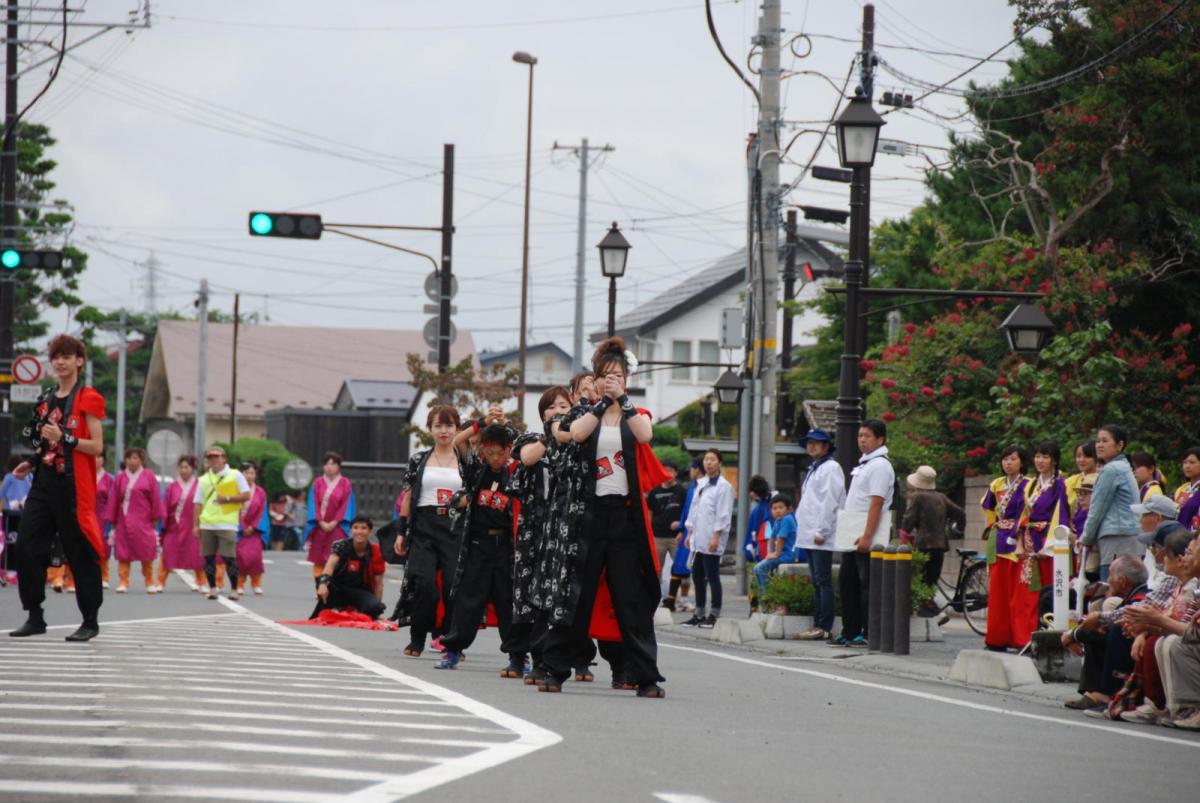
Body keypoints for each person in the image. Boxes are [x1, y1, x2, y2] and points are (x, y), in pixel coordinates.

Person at [540, 337, 670, 697]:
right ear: (595, 380)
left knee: (630, 597)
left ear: (627, 379)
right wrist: (600, 405)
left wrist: (622, 402)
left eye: (618, 375)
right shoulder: (585, 414)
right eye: (605, 375)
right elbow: (575, 435)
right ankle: (554, 669)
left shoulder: (636, 415)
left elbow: (646, 436)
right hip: (589, 516)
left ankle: (645, 675)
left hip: (625, 518)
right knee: (576, 595)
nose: (611, 380)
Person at [9, 334, 107, 642]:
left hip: (74, 486)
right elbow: (46, 444)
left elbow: (96, 447)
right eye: (56, 357)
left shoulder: (88, 398)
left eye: (67, 357)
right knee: (25, 543)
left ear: (79, 361)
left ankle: (89, 620)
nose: (60, 362)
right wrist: (32, 462)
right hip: (44, 483)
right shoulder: (47, 400)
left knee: (79, 551)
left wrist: (65, 436)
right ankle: (35, 615)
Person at [437, 422, 525, 673]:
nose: (495, 458)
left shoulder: (518, 473)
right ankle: (453, 649)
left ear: (509, 450)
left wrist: (508, 428)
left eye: (500, 452)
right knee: (468, 601)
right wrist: (481, 423)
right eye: (490, 452)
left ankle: (517, 656)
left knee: (508, 602)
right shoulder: (477, 471)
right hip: (478, 544)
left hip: (506, 547)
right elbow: (458, 443)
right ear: (483, 450)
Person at [393, 405, 466, 657]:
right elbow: (407, 497)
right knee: (424, 584)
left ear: (457, 428)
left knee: (452, 586)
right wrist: (402, 532)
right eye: (438, 426)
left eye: (449, 426)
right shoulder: (419, 459)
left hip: (455, 528)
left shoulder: (466, 460)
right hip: (423, 526)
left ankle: (449, 638)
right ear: (430, 430)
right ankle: (417, 638)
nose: (444, 431)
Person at [512, 386, 573, 683]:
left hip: (565, 528)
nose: (559, 409)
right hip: (534, 530)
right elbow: (527, 458)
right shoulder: (531, 439)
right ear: (542, 413)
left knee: (559, 596)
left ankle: (565, 659)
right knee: (532, 596)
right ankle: (533, 657)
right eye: (552, 406)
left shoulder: (577, 441)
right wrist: (551, 433)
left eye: (564, 405)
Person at [834, 420, 896, 647]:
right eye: (860, 435)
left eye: (867, 436)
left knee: (867, 586)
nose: (861, 439)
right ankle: (850, 631)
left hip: (866, 536)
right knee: (847, 583)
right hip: (852, 533)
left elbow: (876, 503)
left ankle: (866, 632)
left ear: (880, 439)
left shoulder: (880, 465)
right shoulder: (866, 464)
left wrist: (868, 536)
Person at [1061, 554, 1149, 710]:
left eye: (1111, 575)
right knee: (1094, 630)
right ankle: (1095, 690)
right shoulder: (1132, 595)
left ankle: (1108, 692)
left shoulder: (1142, 597)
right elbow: (1093, 621)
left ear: (1123, 581)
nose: (1108, 580)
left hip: (1136, 651)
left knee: (1105, 631)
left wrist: (1074, 634)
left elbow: (1125, 615)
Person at [792, 429, 844, 641]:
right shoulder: (815, 468)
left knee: (823, 581)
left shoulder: (831, 468)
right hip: (809, 532)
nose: (812, 446)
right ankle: (818, 623)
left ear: (826, 446)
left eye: (817, 443)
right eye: (809, 442)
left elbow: (830, 501)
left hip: (819, 533)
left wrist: (822, 530)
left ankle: (824, 626)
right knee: (817, 581)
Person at [981, 445, 1032, 651]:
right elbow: (988, 507)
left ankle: (1020, 639)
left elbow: (1030, 510)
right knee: (998, 592)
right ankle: (997, 638)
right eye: (1005, 459)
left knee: (1019, 594)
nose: (1008, 463)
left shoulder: (1029, 484)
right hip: (999, 538)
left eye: (1013, 459)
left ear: (1022, 462)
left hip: (1019, 538)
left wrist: (1019, 528)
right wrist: (993, 525)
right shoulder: (996, 484)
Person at [901, 464, 965, 622]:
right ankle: (931, 613)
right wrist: (958, 529)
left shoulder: (917, 497)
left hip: (923, 544)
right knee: (931, 580)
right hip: (940, 545)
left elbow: (908, 521)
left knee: (920, 581)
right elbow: (960, 513)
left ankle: (934, 612)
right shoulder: (941, 497)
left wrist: (907, 529)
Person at [1020, 440, 1071, 628]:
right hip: (1030, 538)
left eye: (1045, 456)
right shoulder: (1031, 484)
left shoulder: (1060, 484)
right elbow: (1023, 515)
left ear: (1054, 460)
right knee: (1030, 587)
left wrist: (1050, 543)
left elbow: (1062, 514)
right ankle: (1029, 630)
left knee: (1050, 584)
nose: (1040, 460)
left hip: (1048, 537)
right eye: (1038, 456)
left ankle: (1048, 625)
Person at [682, 448, 734, 629]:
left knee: (712, 575)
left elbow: (723, 514)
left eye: (712, 459)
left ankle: (714, 613)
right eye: (706, 459)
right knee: (697, 575)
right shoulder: (701, 483)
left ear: (719, 463)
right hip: (698, 536)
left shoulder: (724, 486)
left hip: (712, 537)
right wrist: (689, 532)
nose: (708, 462)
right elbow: (694, 510)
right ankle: (699, 613)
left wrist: (716, 536)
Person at [1081, 424, 1140, 581]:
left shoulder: (1111, 470)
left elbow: (1097, 508)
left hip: (1117, 537)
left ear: (1120, 445)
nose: (1099, 445)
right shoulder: (1123, 467)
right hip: (1128, 534)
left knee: (1112, 588)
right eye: (1098, 441)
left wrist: (1085, 539)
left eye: (1105, 441)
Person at [193, 446, 251, 600]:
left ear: (224, 458)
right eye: (210, 458)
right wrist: (195, 524)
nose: (214, 461)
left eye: (217, 457)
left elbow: (246, 495)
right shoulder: (203, 479)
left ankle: (234, 589)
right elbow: (197, 503)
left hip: (227, 523)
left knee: (229, 558)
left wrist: (227, 499)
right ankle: (212, 588)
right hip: (207, 523)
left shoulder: (235, 475)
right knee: (208, 558)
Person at [107, 447, 165, 594]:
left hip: (143, 521)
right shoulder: (120, 478)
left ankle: (149, 581)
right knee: (123, 553)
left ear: (141, 460)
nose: (132, 461)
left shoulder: (149, 476)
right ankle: (123, 582)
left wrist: (154, 521)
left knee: (147, 552)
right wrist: (113, 522)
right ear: (125, 460)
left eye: (136, 458)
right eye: (129, 458)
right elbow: (113, 500)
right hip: (123, 521)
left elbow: (155, 500)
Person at [314, 515, 387, 619]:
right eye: (356, 528)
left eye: (363, 528)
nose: (359, 532)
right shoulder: (341, 545)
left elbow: (378, 583)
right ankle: (336, 606)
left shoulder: (376, 551)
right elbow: (330, 565)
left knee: (373, 609)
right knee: (322, 581)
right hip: (338, 588)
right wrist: (322, 584)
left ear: (370, 531)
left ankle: (355, 609)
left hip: (361, 590)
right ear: (351, 530)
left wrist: (377, 605)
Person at [305, 452, 356, 580]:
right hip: (320, 525)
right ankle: (319, 584)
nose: (329, 467)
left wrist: (335, 521)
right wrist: (320, 521)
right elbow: (313, 503)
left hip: (337, 526)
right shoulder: (317, 483)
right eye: (326, 464)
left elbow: (346, 505)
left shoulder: (345, 483)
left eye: (333, 464)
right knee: (319, 557)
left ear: (339, 466)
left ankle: (332, 586)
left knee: (336, 556)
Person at [158, 455, 206, 592]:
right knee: (167, 554)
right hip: (174, 526)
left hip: (193, 526)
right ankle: (161, 582)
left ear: (193, 469)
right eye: (181, 467)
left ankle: (201, 582)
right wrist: (164, 525)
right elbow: (165, 506)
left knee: (197, 555)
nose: (183, 470)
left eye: (187, 467)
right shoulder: (172, 487)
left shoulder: (200, 485)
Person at [662, 459, 700, 613]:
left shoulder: (685, 490)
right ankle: (669, 599)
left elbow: (689, 510)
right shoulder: (657, 490)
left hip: (688, 534)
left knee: (689, 568)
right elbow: (687, 511)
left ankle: (686, 600)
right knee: (678, 566)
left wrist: (681, 527)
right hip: (679, 533)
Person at [647, 459, 685, 593]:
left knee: (682, 568)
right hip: (658, 537)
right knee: (656, 570)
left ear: (676, 473)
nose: (667, 473)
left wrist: (683, 528)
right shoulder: (654, 492)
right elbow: (649, 513)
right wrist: (649, 533)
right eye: (664, 470)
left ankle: (682, 599)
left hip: (677, 537)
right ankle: (655, 598)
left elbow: (688, 512)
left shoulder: (682, 491)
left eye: (671, 471)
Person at [753, 494, 798, 599]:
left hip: (787, 555)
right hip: (780, 554)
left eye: (781, 508)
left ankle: (767, 595)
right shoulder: (778, 520)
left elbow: (781, 538)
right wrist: (770, 553)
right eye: (774, 508)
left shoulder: (787, 519)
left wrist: (776, 554)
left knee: (760, 568)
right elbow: (772, 538)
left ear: (789, 509)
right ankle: (763, 594)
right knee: (756, 568)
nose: (777, 511)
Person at [236, 461, 269, 595]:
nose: (249, 476)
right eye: (246, 473)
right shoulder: (235, 491)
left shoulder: (261, 492)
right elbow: (232, 510)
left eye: (252, 473)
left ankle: (256, 583)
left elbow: (262, 511)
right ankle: (239, 584)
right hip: (239, 530)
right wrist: (242, 526)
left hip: (254, 531)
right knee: (239, 558)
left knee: (255, 558)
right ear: (240, 474)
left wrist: (253, 526)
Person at [741, 475, 773, 565]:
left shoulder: (759, 509)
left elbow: (752, 531)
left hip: (762, 549)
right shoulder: (772, 505)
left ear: (753, 493)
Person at [1175, 446, 1200, 533]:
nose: (1187, 466)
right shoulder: (1182, 489)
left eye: (1192, 462)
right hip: (1178, 536)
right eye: (1185, 462)